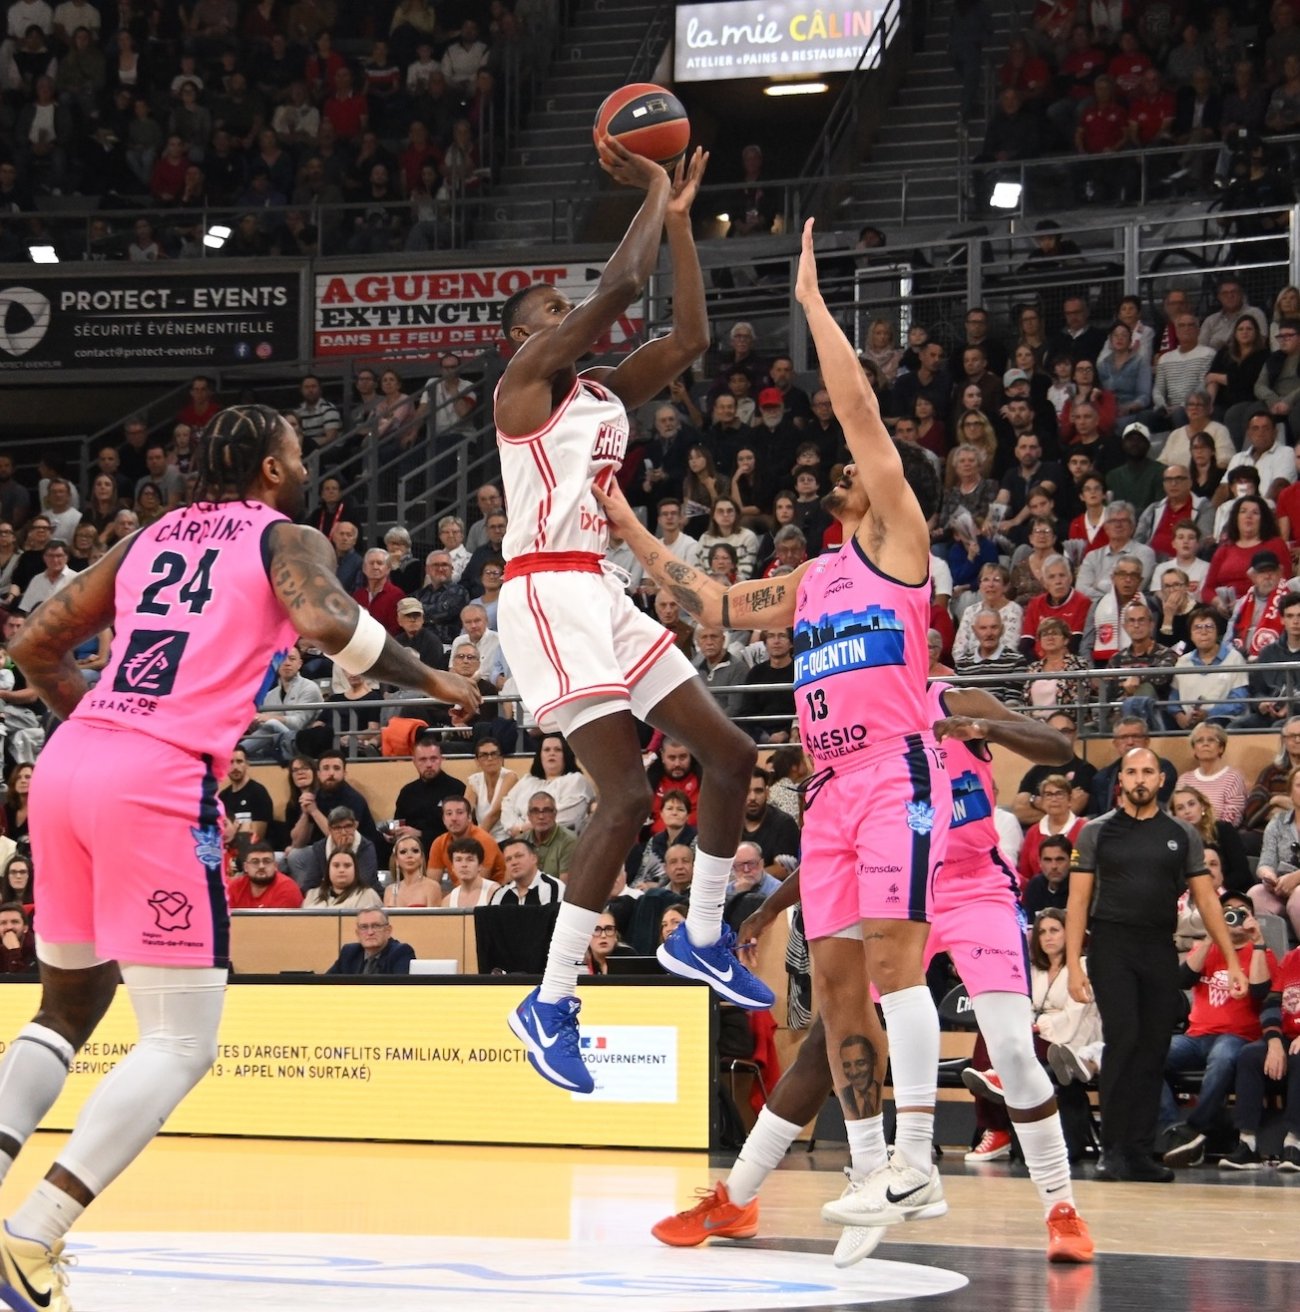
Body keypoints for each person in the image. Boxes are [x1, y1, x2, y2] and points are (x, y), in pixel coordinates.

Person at [0, 404, 479, 1309]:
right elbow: (329, 621)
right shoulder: (283, 535)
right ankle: (34, 1234)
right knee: (180, 1042)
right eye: (297, 456)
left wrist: (107, 728)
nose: (304, 470)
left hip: (68, 762)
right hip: (154, 776)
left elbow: (32, 642)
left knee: (66, 1007)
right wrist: (434, 676)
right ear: (269, 470)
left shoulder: (144, 539)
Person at [600, 217, 954, 1230]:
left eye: (858, 467)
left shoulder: (900, 543)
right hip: (829, 792)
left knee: (892, 963)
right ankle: (871, 1167)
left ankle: (920, 1159)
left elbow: (860, 411)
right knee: (835, 985)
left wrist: (811, 306)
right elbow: (712, 602)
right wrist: (624, 524)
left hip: (893, 773)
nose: (840, 468)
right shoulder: (811, 578)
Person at [493, 144, 771, 1094]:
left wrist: (682, 224)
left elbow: (689, 337)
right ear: (523, 338)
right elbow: (617, 287)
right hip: (545, 588)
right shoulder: (523, 388)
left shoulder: (603, 394)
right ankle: (551, 1000)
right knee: (625, 799)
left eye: (561, 312)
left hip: (600, 587)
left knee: (731, 755)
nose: (564, 318)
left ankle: (703, 935)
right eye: (549, 312)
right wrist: (652, 185)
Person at [654, 684, 1094, 1264]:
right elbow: (835, 845)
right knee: (829, 1040)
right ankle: (736, 1198)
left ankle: (1061, 1209)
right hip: (894, 887)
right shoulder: (851, 724)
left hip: (972, 887)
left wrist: (986, 730)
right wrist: (768, 908)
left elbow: (1057, 748)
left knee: (1012, 1048)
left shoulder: (951, 699)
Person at [1067, 748, 1248, 1182]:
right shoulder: (1096, 831)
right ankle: (1113, 1150)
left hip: (1158, 948)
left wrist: (1233, 959)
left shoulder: (1181, 834)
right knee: (1123, 1040)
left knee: (1152, 1049)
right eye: (1131, 771)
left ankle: (1140, 1152)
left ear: (1161, 779)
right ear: (1121, 779)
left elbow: (1207, 900)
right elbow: (1077, 900)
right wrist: (1073, 963)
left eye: (1148, 771)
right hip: (1111, 945)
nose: (1139, 778)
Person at [1159, 890, 1276, 1167]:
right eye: (1227, 913)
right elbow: (1183, 980)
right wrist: (1213, 934)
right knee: (1146, 1055)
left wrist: (1257, 941)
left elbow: (1260, 992)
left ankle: (1194, 1128)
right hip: (1195, 1037)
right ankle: (1173, 1129)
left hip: (1237, 1037)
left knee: (1222, 1058)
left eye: (1241, 912)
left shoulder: (1263, 953)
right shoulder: (1207, 948)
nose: (1234, 917)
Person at [1222, 941, 1300, 1170]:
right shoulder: (1292, 958)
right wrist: (1274, 1041)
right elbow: (1272, 1002)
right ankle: (1247, 1143)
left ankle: (1294, 1143)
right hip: (1287, 1036)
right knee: (1250, 1055)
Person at [325, 908, 414, 975]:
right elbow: (326, 983)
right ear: (358, 933)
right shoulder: (349, 952)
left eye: (376, 926)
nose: (370, 932)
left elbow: (399, 988)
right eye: (364, 927)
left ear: (388, 931)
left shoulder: (401, 952)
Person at [226, 842, 304, 910]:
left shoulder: (287, 888)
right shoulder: (235, 887)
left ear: (275, 866)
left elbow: (281, 922)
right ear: (246, 867)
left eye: (267, 861)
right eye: (255, 862)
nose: (261, 866)